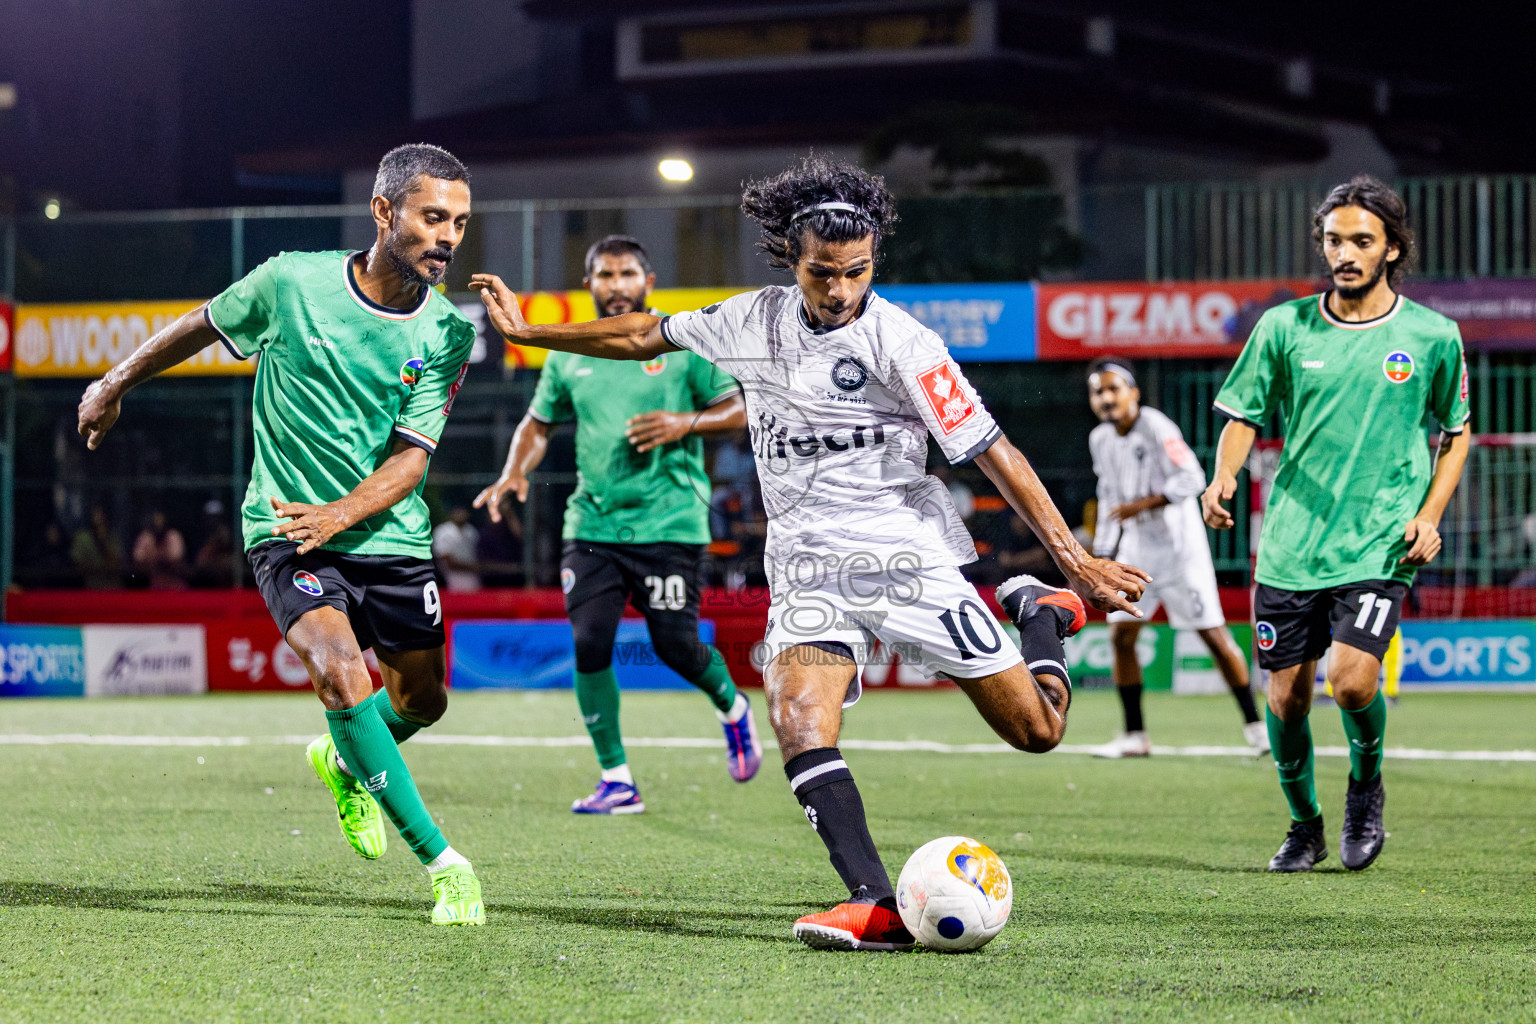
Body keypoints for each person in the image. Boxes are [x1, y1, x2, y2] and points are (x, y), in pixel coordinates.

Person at [471, 155, 1148, 951]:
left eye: (856, 271)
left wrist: (1074, 563)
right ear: (791, 260)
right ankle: (875, 902)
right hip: (804, 569)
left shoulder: (906, 343)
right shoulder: (750, 320)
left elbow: (993, 450)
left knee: (1038, 732)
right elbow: (642, 331)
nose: (839, 289)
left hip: (903, 560)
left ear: (873, 261)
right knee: (796, 717)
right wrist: (531, 333)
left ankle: (1040, 618)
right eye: (823, 272)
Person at [76, 143, 486, 925]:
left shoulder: (445, 331)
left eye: (459, 223)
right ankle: (446, 865)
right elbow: (201, 324)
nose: (447, 237)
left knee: (423, 701)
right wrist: (114, 381)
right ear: (384, 211)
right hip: (287, 528)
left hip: (389, 537)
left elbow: (412, 459)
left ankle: (344, 757)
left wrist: (342, 513)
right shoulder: (291, 282)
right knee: (340, 675)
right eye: (433, 217)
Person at [1203, 175, 1470, 874]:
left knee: (1351, 682)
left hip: (1380, 542)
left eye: (1361, 241)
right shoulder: (1285, 328)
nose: (1344, 254)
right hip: (1292, 543)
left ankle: (1365, 790)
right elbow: (1243, 415)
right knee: (1286, 698)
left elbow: (1457, 433)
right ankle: (1305, 827)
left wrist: (1429, 515)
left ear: (1392, 248)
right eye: (1333, 241)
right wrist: (1225, 474)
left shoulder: (1432, 336)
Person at [475, 235, 761, 814]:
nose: (616, 284)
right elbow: (537, 424)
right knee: (589, 641)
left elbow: (741, 408)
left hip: (671, 524)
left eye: (627, 273)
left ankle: (732, 707)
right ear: (590, 286)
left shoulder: (681, 343)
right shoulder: (568, 355)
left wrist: (684, 423)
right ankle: (617, 780)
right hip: (592, 525)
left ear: (648, 282)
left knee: (677, 647)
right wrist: (512, 473)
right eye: (604, 275)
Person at [1085, 357, 1265, 757]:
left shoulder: (1156, 426)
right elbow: (1109, 497)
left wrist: (1143, 504)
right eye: (1098, 392)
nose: (1106, 398)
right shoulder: (1100, 439)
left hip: (1181, 551)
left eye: (1113, 389)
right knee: (1121, 636)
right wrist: (1102, 555)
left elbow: (1192, 478)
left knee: (1213, 636)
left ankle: (1257, 728)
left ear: (1133, 392)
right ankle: (1135, 735)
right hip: (1137, 552)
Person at [131, 509, 189, 590]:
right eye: (156, 521)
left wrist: (157, 558)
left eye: (160, 520)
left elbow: (176, 559)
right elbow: (137, 559)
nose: (158, 524)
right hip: (151, 582)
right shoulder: (146, 537)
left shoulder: (173, 536)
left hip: (174, 582)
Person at [71, 505, 123, 589]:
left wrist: (102, 541)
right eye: (96, 514)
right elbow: (78, 565)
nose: (99, 518)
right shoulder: (82, 537)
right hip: (92, 585)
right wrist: (98, 569)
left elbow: (116, 562)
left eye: (101, 514)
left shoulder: (113, 536)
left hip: (112, 585)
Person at [432, 506, 481, 592]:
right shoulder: (443, 531)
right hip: (450, 579)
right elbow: (447, 561)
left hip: (472, 579)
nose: (461, 515)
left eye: (463, 512)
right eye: (458, 512)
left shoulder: (471, 531)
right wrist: (477, 567)